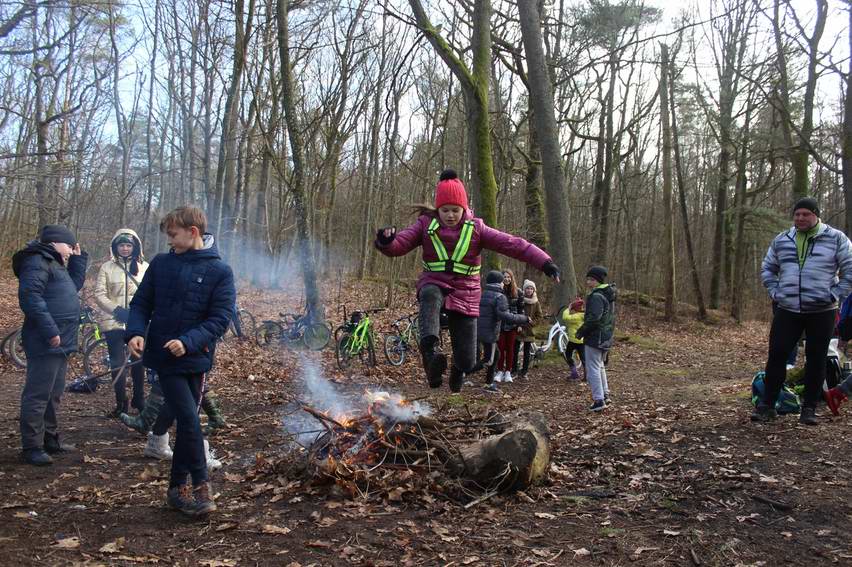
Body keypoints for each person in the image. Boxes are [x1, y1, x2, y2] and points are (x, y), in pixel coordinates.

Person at [375, 169, 560, 392]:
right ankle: (431, 352)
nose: (450, 215)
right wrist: (386, 242)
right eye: (445, 210)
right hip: (435, 282)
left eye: (455, 210)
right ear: (437, 209)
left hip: (467, 293)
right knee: (429, 293)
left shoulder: (477, 229)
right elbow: (400, 245)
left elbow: (514, 245)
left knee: (468, 360)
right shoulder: (425, 225)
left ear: (464, 208)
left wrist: (545, 263)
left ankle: (457, 370)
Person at [126, 205, 235, 517]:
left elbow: (220, 319)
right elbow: (141, 303)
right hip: (164, 358)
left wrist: (188, 342)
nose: (169, 241)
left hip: (196, 359)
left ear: (193, 232)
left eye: (173, 235)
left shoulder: (220, 271)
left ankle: (176, 489)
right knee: (189, 420)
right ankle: (201, 485)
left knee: (185, 421)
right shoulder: (161, 264)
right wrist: (135, 331)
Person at [753, 197, 852, 425]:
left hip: (822, 310)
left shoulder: (836, 239)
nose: (800, 218)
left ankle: (808, 409)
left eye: (805, 214)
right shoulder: (783, 239)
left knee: (817, 358)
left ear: (816, 215)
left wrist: (834, 294)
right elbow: (768, 267)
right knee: (777, 354)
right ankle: (767, 405)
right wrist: (775, 291)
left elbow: (849, 270)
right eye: (797, 214)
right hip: (787, 308)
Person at [13, 225, 88, 465]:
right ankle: (32, 446)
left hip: (62, 340)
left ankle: (50, 439)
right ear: (55, 242)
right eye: (69, 246)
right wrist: (50, 330)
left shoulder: (55, 263)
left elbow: (72, 287)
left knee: (54, 393)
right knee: (38, 394)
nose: (70, 250)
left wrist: (78, 259)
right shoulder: (37, 261)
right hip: (46, 339)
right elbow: (30, 298)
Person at [93, 229, 149, 417]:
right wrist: (117, 310)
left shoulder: (145, 267)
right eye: (121, 245)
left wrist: (137, 314)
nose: (125, 249)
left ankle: (139, 400)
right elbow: (100, 294)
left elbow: (151, 294)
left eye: (128, 245)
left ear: (135, 247)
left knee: (139, 362)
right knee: (117, 363)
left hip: (138, 323)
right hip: (114, 322)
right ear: (115, 247)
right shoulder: (106, 268)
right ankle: (121, 403)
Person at [476, 271, 529, 392]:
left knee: (496, 355)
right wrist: (524, 319)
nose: (504, 281)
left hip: (481, 330)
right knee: (490, 358)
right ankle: (465, 369)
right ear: (498, 282)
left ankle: (489, 383)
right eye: (502, 279)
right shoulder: (498, 296)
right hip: (491, 331)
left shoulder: (482, 293)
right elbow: (506, 316)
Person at [576, 266, 617, 412]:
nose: (588, 282)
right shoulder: (607, 294)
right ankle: (605, 395)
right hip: (605, 335)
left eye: (591, 279)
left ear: (598, 281)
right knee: (599, 365)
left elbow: (594, 318)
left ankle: (598, 400)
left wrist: (581, 331)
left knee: (592, 367)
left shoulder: (596, 296)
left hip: (596, 336)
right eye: (588, 279)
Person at [495, 269, 523, 383]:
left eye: (508, 277)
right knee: (500, 348)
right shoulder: (497, 291)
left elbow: (521, 310)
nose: (506, 279)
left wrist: (520, 324)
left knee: (511, 349)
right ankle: (500, 371)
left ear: (511, 278)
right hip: (500, 325)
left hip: (513, 324)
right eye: (504, 277)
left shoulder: (518, 292)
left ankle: (508, 372)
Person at [517, 280, 543, 379]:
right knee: (515, 350)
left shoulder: (536, 302)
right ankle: (514, 369)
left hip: (529, 330)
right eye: (527, 288)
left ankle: (524, 371)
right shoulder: (520, 299)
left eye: (531, 288)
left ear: (534, 290)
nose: (529, 290)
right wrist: (518, 323)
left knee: (527, 351)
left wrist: (534, 322)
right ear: (524, 289)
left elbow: (539, 315)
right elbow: (516, 312)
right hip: (519, 328)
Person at [562, 298, 586, 381]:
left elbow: (565, 318)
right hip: (582, 341)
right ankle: (587, 376)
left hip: (574, 341)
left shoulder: (577, 316)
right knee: (584, 359)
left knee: (568, 355)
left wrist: (568, 308)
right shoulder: (583, 315)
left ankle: (574, 373)